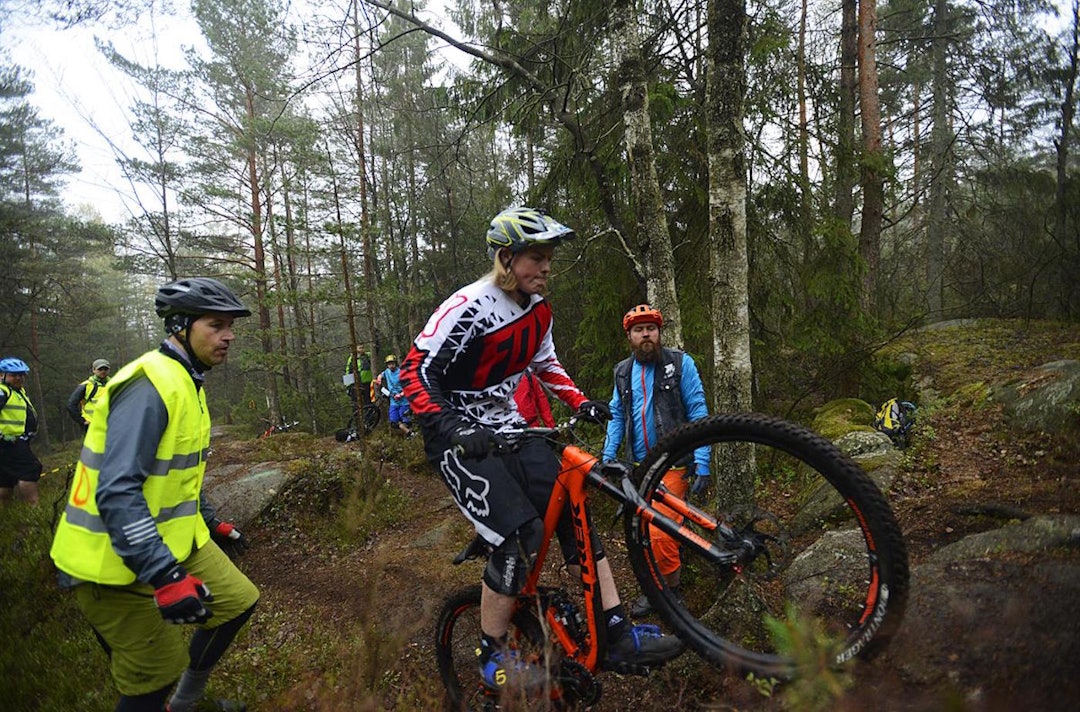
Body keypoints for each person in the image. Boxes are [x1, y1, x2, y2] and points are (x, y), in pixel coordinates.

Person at [399, 206, 683, 696]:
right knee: (520, 535)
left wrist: (581, 401)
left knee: (576, 518)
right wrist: (453, 428)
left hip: (512, 428)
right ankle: (491, 653)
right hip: (458, 440)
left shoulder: (538, 309)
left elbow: (545, 365)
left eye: (549, 257)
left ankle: (615, 632)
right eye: (537, 257)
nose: (547, 267)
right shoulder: (467, 307)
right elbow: (415, 373)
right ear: (506, 258)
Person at [49, 277, 258, 712]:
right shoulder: (150, 386)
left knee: (238, 602)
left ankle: (185, 704)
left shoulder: (187, 379)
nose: (229, 335)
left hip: (174, 539)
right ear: (181, 325)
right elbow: (118, 489)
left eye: (231, 326)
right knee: (154, 676)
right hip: (108, 559)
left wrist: (212, 520)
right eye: (216, 325)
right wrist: (165, 575)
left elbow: (178, 476)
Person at [602, 304, 711, 617]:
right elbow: (617, 416)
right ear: (630, 337)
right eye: (639, 330)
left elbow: (698, 411)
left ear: (659, 332)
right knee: (641, 534)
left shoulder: (680, 364)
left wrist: (702, 460)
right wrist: (608, 457)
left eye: (650, 328)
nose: (645, 334)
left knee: (661, 534)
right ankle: (653, 590)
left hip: (674, 464)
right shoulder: (623, 371)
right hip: (640, 469)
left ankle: (672, 593)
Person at [0, 357, 42, 506]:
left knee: (5, 479)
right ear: (2, 375)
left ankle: (7, 514)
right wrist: (2, 436)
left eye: (21, 374)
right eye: (13, 375)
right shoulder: (2, 391)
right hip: (8, 442)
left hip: (14, 441)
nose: (18, 378)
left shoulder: (18, 392)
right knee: (30, 469)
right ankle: (33, 507)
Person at [66, 358, 112, 432]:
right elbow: (71, 405)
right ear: (94, 370)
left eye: (105, 369)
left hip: (110, 424)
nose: (103, 371)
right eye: (100, 369)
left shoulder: (114, 384)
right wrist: (81, 421)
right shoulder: (86, 385)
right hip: (91, 425)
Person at [378, 353, 412, 436]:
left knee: (405, 418)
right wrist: (379, 379)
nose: (391, 366)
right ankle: (409, 433)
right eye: (389, 364)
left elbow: (408, 386)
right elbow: (381, 375)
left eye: (392, 364)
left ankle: (410, 433)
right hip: (393, 401)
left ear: (395, 364)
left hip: (404, 400)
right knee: (393, 421)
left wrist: (401, 394)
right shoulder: (387, 372)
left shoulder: (401, 372)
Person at [344, 347, 373, 416]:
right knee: (356, 404)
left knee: (368, 402)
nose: (362, 349)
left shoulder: (368, 355)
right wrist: (348, 386)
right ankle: (357, 420)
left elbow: (376, 351)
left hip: (367, 383)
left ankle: (369, 419)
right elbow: (348, 371)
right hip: (356, 384)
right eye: (360, 348)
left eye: (363, 347)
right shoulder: (351, 358)